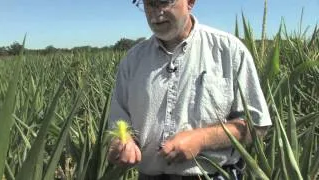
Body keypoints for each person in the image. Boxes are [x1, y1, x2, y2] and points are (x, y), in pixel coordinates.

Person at [107, 0, 272, 179]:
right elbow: (119, 125)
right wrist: (123, 143)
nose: (156, 13)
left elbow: (256, 126)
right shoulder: (132, 61)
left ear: (190, 2)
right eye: (149, 4)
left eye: (164, 2)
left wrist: (201, 140)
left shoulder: (229, 50)